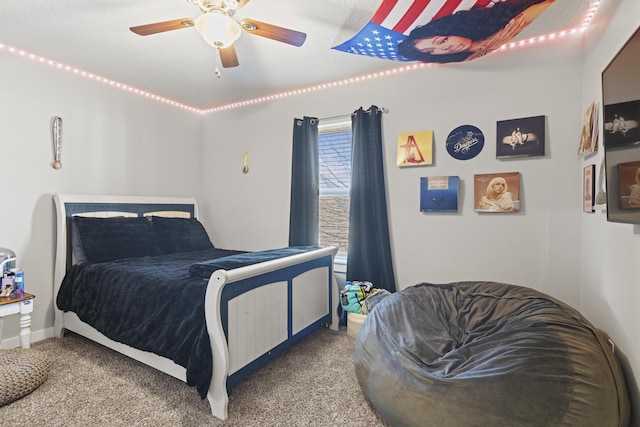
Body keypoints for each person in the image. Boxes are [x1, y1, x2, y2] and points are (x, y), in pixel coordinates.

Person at [397, 0, 555, 63]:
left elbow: (550, 6)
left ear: (452, 31)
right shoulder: (467, 63)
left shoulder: (507, 23)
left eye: (443, 41)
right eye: (431, 51)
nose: (445, 48)